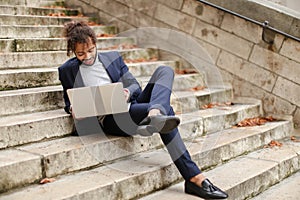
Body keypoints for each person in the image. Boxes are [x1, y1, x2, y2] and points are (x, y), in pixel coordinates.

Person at [58, 21, 228, 199]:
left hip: (130, 105)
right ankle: (193, 177)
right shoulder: (67, 70)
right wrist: (72, 109)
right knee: (167, 109)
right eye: (80, 53)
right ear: (72, 51)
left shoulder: (112, 58)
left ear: (95, 43)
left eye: (91, 50)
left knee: (165, 70)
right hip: (109, 119)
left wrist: (126, 91)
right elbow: (68, 102)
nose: (87, 57)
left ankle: (154, 113)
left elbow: (134, 86)